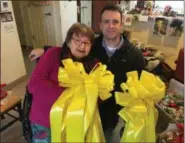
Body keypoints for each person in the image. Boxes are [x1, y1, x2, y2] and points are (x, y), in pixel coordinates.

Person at [29, 4, 146, 142]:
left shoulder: (134, 55)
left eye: (115, 22)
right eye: (106, 21)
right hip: (55, 119)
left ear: (122, 25)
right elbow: (64, 50)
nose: (111, 26)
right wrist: (44, 50)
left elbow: (138, 88)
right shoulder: (92, 46)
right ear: (100, 25)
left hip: (105, 115)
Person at [28, 23, 97, 143]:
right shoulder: (53, 54)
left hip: (74, 122)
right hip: (45, 120)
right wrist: (71, 95)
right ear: (69, 41)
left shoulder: (94, 65)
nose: (82, 46)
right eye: (77, 40)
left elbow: (95, 96)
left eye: (87, 43)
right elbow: (34, 85)